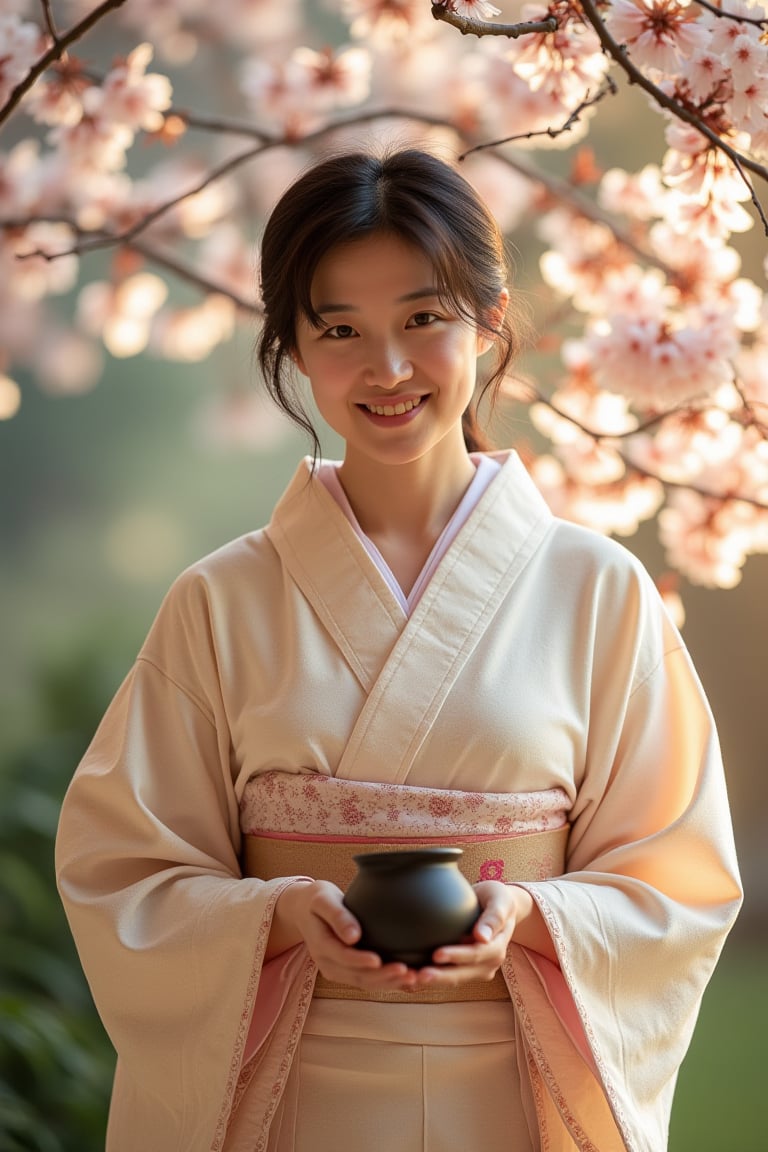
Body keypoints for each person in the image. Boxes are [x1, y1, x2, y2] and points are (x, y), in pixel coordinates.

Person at [56, 147, 743, 1152]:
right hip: (289, 1099)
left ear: (490, 320)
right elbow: (125, 872)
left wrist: (530, 919)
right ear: (291, 345)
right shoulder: (218, 599)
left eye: (424, 319)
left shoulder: (600, 590)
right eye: (340, 330)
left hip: (515, 1092)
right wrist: (283, 915)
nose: (386, 369)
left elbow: (675, 878)